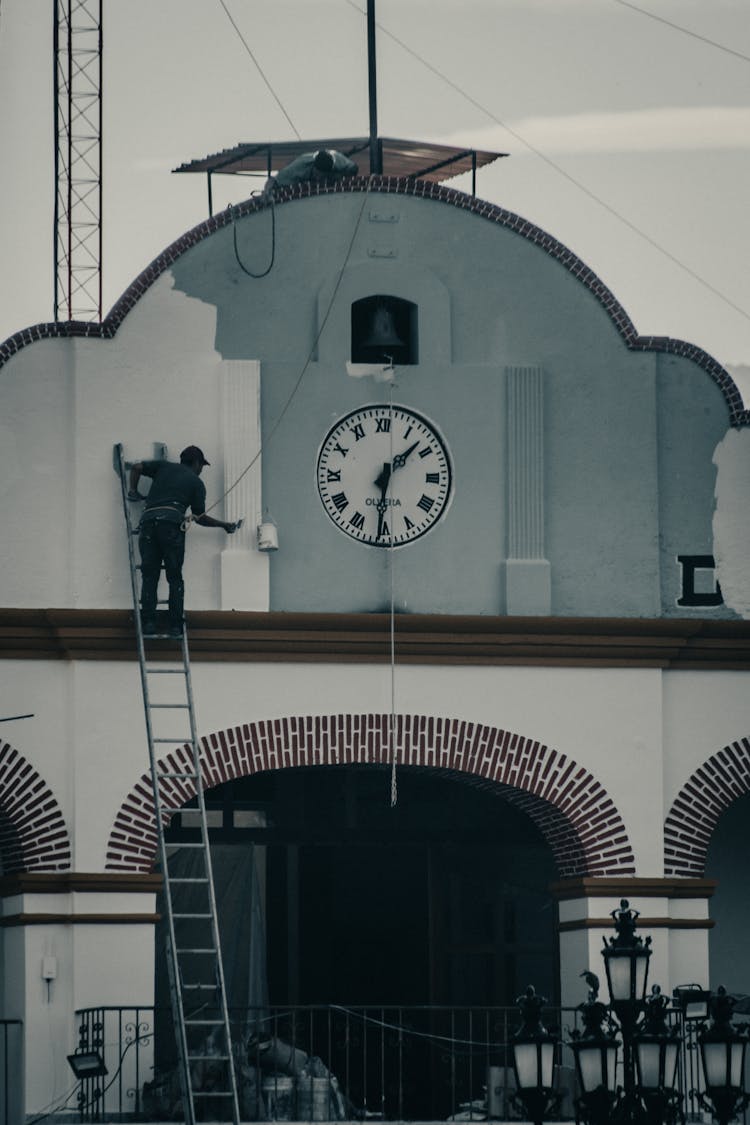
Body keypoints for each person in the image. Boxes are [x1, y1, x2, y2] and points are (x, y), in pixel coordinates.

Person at [128, 445, 238, 637]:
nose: (201, 470)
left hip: (147, 524)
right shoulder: (195, 483)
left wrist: (133, 492)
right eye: (201, 466)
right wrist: (224, 525)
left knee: (149, 576)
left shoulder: (163, 467)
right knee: (174, 578)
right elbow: (199, 517)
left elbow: (136, 468)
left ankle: (148, 624)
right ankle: (176, 626)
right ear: (196, 463)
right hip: (171, 527)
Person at [264, 148, 358, 196]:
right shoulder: (299, 166)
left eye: (323, 177)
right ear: (313, 167)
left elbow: (354, 168)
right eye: (317, 175)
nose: (319, 179)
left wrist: (338, 176)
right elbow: (273, 180)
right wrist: (267, 193)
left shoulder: (339, 160)